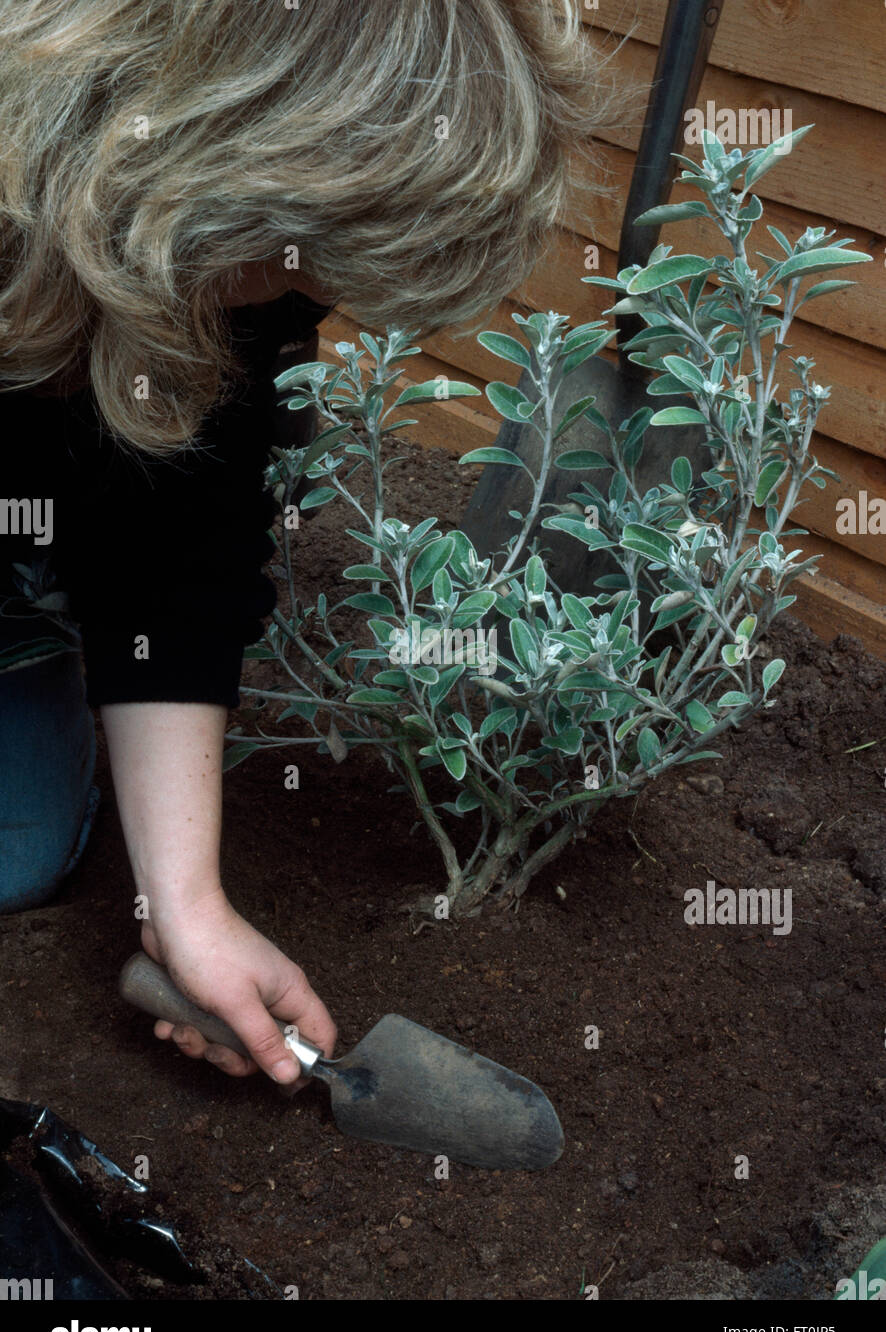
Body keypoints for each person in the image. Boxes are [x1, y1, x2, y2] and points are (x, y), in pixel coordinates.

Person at [0, 0, 624, 1087]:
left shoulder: (229, 250)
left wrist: (185, 904)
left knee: (14, 854)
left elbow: (179, 543)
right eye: (290, 269)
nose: (305, 299)